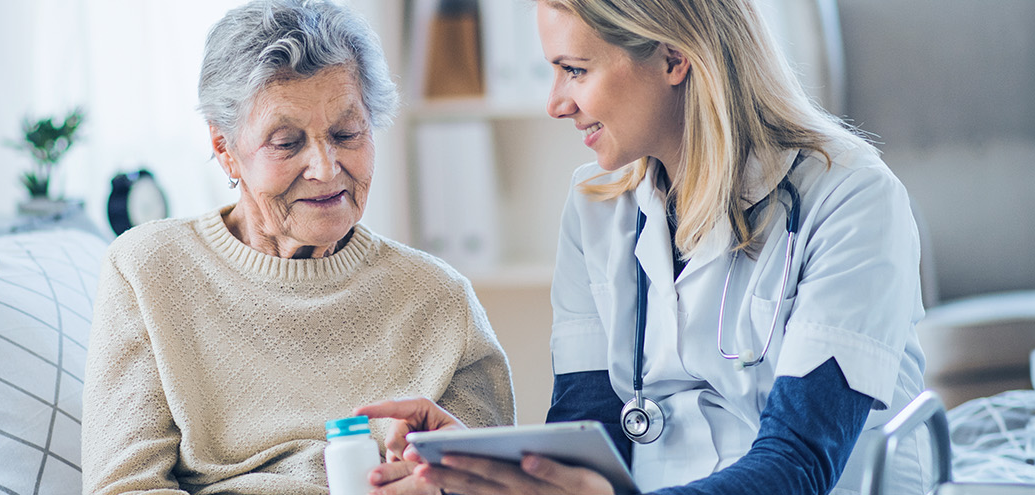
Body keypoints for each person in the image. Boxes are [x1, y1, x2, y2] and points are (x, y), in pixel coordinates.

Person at [359, 0, 928, 494]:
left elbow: (799, 465)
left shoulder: (851, 199)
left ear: (673, 57)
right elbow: (591, 430)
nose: (556, 103)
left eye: (575, 71)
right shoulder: (596, 208)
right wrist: (482, 470)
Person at [80, 1, 516, 494]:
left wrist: (448, 485)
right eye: (287, 143)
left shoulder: (440, 300)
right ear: (225, 150)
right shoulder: (148, 270)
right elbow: (125, 487)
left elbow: (493, 483)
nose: (326, 168)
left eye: (347, 134)